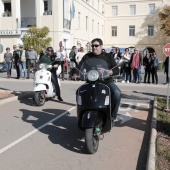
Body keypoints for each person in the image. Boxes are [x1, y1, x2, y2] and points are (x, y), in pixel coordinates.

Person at [78, 38, 121, 121]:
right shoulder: (87, 56)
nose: (94, 47)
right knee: (79, 92)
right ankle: (81, 113)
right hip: (90, 81)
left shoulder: (108, 56)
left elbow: (116, 70)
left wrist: (108, 72)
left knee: (117, 93)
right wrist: (75, 73)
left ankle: (112, 116)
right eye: (93, 46)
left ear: (101, 46)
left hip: (106, 82)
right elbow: (79, 66)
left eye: (96, 46)